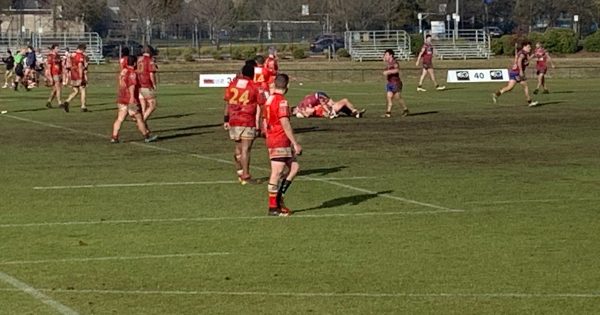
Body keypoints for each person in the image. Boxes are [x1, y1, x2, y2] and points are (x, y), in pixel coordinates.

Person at [264, 74, 302, 217]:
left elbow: (264, 120)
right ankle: (273, 207)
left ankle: (279, 198)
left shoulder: (270, 99)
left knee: (294, 167)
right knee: (277, 172)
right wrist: (295, 143)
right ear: (288, 86)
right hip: (279, 138)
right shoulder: (281, 101)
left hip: (273, 137)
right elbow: (284, 122)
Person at [223, 63, 266, 185]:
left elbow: (226, 102)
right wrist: (261, 123)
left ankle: (240, 171)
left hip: (234, 119)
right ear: (253, 74)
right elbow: (261, 104)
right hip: (247, 120)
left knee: (238, 148)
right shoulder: (254, 86)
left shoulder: (232, 84)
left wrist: (226, 119)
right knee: (246, 149)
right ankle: (246, 176)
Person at [111, 55, 158, 144]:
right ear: (135, 63)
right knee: (139, 119)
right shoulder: (132, 73)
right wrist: (132, 97)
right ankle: (147, 136)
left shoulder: (123, 72)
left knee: (120, 119)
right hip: (130, 100)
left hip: (122, 98)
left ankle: (114, 137)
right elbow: (131, 86)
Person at [492, 41, 539, 107]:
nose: (530, 48)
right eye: (528, 47)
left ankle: (496, 94)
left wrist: (532, 56)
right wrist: (521, 71)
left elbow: (524, 61)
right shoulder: (522, 53)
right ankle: (530, 101)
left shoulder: (523, 53)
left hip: (513, 72)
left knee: (509, 88)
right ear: (524, 47)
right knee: (525, 86)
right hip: (517, 72)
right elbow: (519, 61)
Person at [293, 91, 365, 119]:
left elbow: (307, 97)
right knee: (344, 101)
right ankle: (355, 111)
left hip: (324, 110)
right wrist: (328, 112)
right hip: (326, 110)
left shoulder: (303, 104)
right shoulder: (304, 105)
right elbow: (309, 113)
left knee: (340, 105)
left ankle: (355, 113)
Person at [60, 44, 88, 112]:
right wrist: (81, 77)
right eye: (84, 50)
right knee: (82, 90)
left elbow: (68, 65)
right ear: (82, 49)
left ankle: (67, 101)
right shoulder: (80, 56)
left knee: (76, 91)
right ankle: (83, 106)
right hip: (78, 74)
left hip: (73, 74)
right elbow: (80, 66)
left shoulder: (72, 55)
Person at [382, 49, 409, 118]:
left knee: (398, 97)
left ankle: (405, 109)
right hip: (390, 83)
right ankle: (388, 113)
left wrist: (388, 72)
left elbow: (397, 70)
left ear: (391, 55)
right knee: (389, 97)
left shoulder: (394, 62)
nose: (385, 56)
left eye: (386, 55)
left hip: (396, 83)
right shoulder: (388, 63)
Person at [137, 45, 158, 122]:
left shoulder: (139, 59)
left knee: (143, 105)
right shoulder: (150, 60)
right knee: (152, 105)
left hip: (138, 84)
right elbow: (151, 74)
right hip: (146, 84)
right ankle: (141, 121)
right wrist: (154, 84)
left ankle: (143, 128)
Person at [45, 44, 63, 108]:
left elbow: (60, 66)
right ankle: (59, 102)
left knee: (55, 89)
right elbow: (49, 67)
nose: (58, 49)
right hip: (54, 74)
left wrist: (62, 74)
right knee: (58, 88)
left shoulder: (58, 56)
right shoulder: (50, 56)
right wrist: (50, 77)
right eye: (57, 48)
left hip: (58, 73)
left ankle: (49, 101)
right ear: (53, 49)